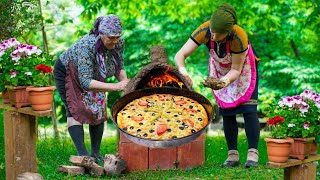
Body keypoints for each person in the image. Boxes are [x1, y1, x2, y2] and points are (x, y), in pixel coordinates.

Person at [174, 3, 260, 168]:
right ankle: (232, 156)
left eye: (218, 35)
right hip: (220, 69)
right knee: (227, 111)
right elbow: (180, 55)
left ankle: (253, 155)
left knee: (249, 110)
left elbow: (235, 69)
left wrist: (224, 82)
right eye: (212, 32)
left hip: (242, 70)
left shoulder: (239, 36)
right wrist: (184, 73)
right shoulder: (205, 30)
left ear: (228, 33)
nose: (213, 37)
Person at [53, 14, 130, 163]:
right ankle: (83, 155)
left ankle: (96, 154)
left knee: (98, 108)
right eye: (111, 37)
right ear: (100, 34)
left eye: (117, 37)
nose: (115, 41)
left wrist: (125, 83)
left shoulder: (119, 43)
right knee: (75, 109)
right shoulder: (86, 45)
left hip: (95, 74)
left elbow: (119, 67)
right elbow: (86, 82)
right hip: (69, 71)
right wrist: (115, 87)